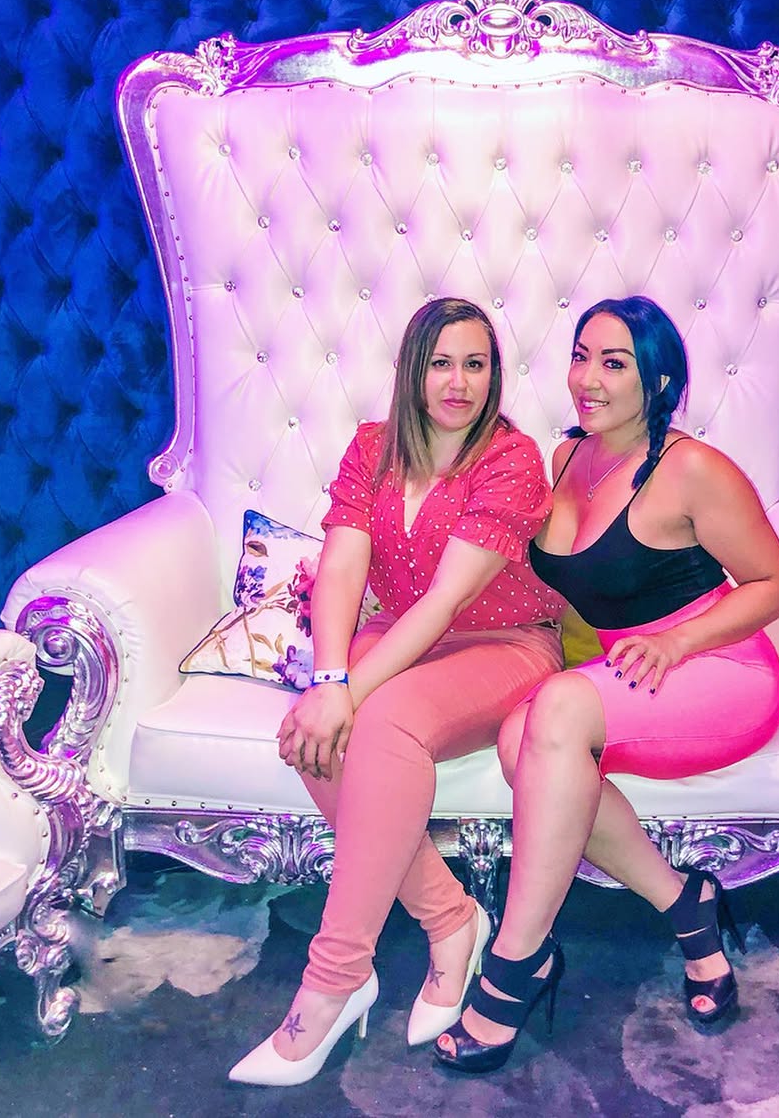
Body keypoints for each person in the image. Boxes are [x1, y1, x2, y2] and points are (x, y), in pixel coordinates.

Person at [435, 295, 779, 1073]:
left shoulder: (692, 468)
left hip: (721, 668)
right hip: (629, 676)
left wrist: (676, 640)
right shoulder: (566, 459)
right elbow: (539, 578)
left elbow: (774, 584)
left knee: (558, 707)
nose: (587, 379)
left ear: (657, 380)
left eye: (614, 363)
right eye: (580, 356)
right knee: (518, 737)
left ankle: (515, 962)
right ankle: (689, 906)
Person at [229, 297, 564, 1086]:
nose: (459, 382)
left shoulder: (512, 458)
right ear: (413, 370)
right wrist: (328, 680)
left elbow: (446, 600)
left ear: (495, 374)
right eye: (441, 363)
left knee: (378, 723)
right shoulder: (371, 447)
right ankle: (451, 918)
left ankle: (336, 977)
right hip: (399, 632)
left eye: (475, 364)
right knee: (310, 732)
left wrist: (348, 693)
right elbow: (344, 564)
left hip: (504, 641)